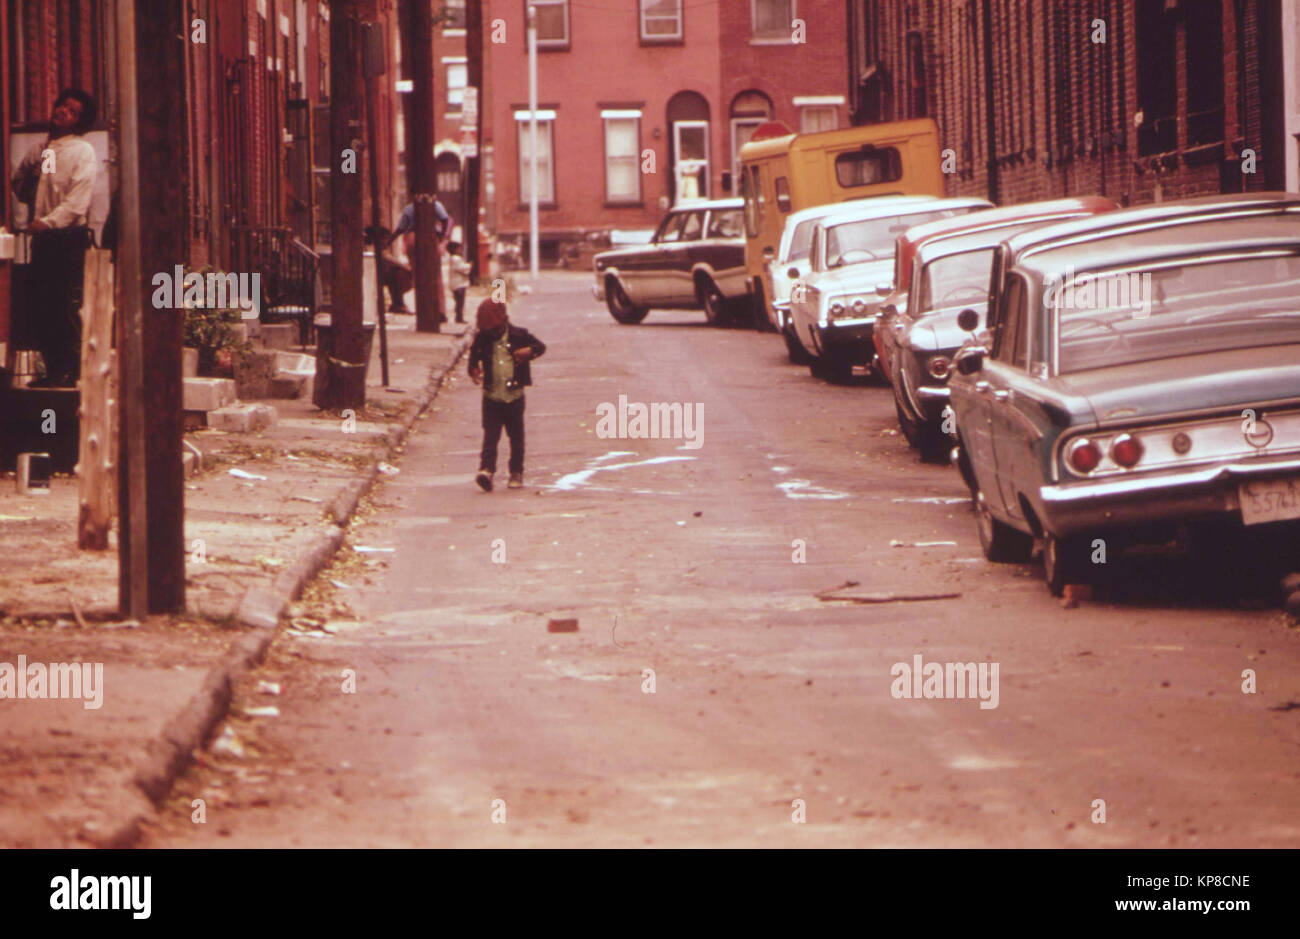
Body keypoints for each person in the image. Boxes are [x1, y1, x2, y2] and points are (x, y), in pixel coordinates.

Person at [11, 88, 99, 387]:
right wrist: (30, 180)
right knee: (43, 302)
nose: (63, 111)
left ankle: (72, 370)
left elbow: (77, 201)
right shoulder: (47, 150)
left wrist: (49, 222)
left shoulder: (82, 152)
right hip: (45, 239)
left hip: (67, 239)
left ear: (79, 120)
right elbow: (31, 190)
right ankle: (52, 368)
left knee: (65, 303)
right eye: (63, 105)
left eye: (72, 111)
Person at [467, 299, 546, 491]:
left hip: (514, 395)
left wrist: (529, 352)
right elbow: (474, 355)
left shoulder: (520, 335)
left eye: (493, 329)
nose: (490, 333)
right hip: (492, 395)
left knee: (516, 436)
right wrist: (474, 369)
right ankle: (486, 470)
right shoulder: (482, 338)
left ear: (503, 322)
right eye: (487, 330)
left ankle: (516, 472)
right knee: (490, 435)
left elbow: (541, 347)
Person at [447, 240, 472, 324]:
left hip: (457, 283)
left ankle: (459, 316)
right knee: (460, 302)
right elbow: (461, 268)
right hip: (458, 284)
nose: (461, 250)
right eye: (459, 249)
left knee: (459, 301)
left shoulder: (454, 258)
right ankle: (459, 317)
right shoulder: (456, 259)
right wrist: (469, 265)